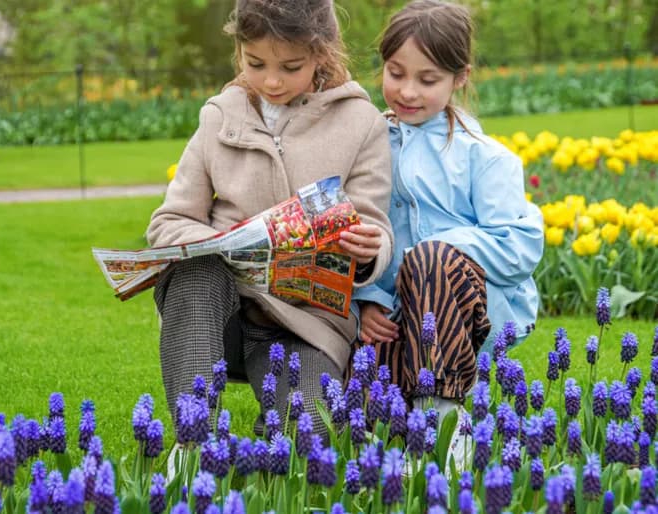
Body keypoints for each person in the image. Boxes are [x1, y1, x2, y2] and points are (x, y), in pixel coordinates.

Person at [146, 0, 394, 438]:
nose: (271, 81)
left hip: (304, 325)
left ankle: (277, 423)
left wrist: (370, 247)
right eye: (255, 63)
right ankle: (193, 441)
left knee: (311, 434)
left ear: (321, 53)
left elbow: (372, 223)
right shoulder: (219, 116)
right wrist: (221, 243)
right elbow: (170, 220)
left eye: (290, 67)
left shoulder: (361, 123)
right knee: (195, 269)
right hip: (218, 315)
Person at [352, 0, 544, 407]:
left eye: (428, 79)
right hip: (392, 315)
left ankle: (444, 409)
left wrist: (437, 250)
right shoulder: (369, 148)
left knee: (432, 260)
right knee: (370, 414)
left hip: (465, 315)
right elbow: (358, 230)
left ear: (460, 77)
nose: (407, 91)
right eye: (396, 73)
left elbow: (518, 247)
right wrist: (365, 300)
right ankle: (410, 404)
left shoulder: (483, 157)